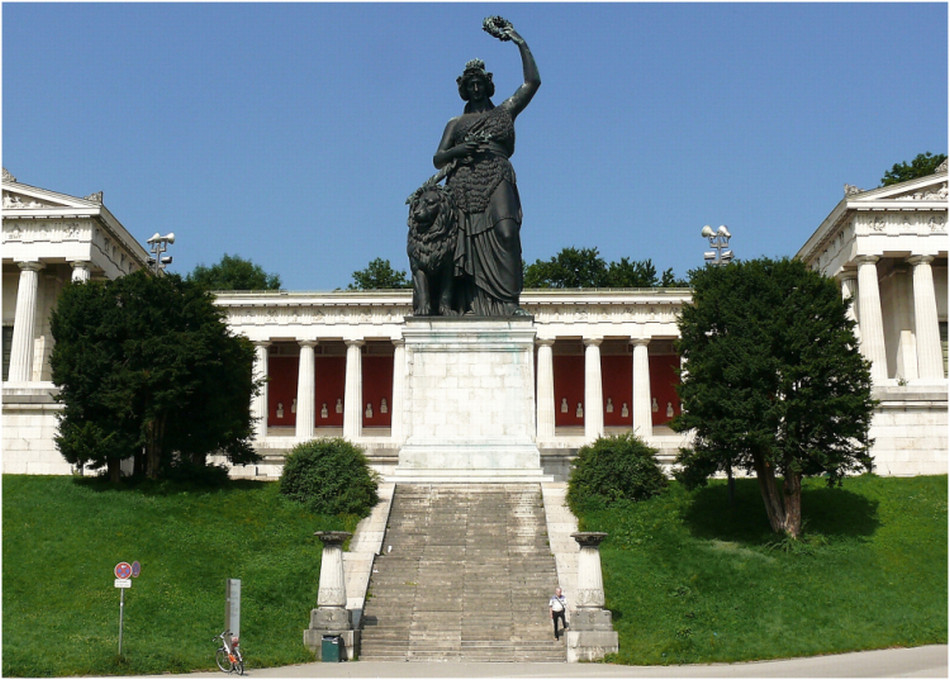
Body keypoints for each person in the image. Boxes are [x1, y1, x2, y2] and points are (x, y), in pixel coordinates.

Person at [433, 19, 540, 317]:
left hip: (497, 173)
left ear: (488, 85)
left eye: (480, 83)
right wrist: (460, 149)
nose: (476, 88)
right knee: (460, 244)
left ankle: (508, 302)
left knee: (507, 232)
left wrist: (519, 41)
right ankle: (465, 303)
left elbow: (532, 83)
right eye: (471, 85)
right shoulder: (455, 123)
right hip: (463, 182)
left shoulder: (505, 111)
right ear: (465, 89)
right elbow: (439, 158)